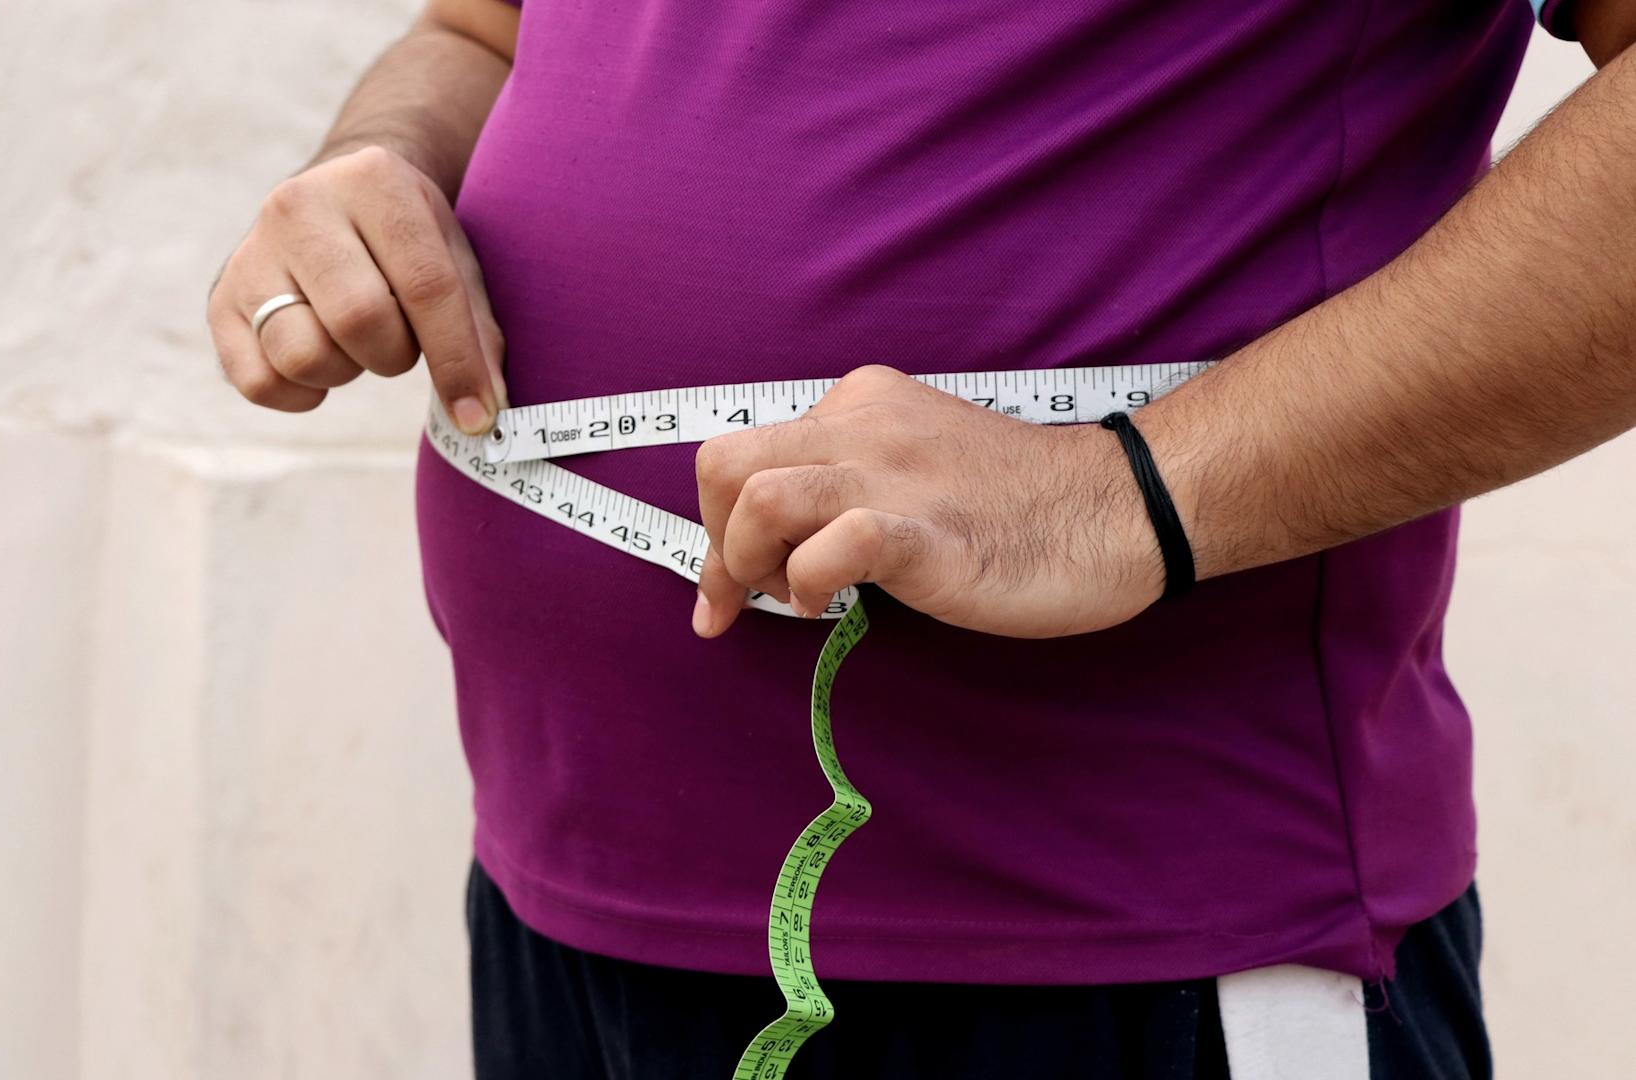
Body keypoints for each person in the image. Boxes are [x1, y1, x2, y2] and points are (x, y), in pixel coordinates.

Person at [206, 0, 1636, 1075]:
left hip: (1120, 954)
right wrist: (378, 161)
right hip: (558, 907)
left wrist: (1125, 488)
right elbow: (488, 26)